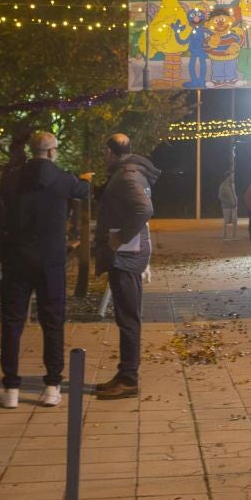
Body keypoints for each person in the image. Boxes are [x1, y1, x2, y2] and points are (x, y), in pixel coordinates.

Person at [0, 130, 88, 408]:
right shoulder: (62, 180)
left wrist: (4, 255)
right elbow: (85, 190)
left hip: (17, 261)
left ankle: (11, 388)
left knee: (12, 322)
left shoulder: (10, 179)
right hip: (51, 261)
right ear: (50, 152)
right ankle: (52, 385)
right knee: (52, 322)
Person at [94, 133, 157, 400]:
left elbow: (143, 210)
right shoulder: (129, 172)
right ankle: (124, 374)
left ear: (110, 152)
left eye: (104, 152)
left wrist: (120, 238)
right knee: (126, 317)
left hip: (125, 255)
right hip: (127, 254)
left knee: (128, 317)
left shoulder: (127, 175)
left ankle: (129, 378)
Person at [218, 170, 238, 241]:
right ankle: (224, 236)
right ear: (227, 177)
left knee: (235, 220)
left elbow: (233, 194)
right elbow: (220, 196)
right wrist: (228, 202)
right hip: (226, 207)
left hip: (234, 206)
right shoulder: (222, 186)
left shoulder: (232, 185)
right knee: (226, 221)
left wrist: (236, 200)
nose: (232, 178)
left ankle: (234, 236)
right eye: (231, 176)